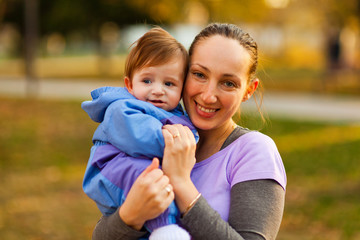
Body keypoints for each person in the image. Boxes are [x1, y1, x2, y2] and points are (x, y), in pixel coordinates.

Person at [91, 23, 287, 240]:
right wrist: (131, 215)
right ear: (183, 74)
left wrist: (181, 183)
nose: (208, 96)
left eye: (228, 83)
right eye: (199, 75)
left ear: (248, 90)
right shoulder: (151, 135)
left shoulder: (253, 151)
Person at [82, 27, 198, 240]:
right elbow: (139, 136)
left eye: (169, 83)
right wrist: (176, 142)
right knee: (149, 176)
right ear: (129, 84)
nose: (158, 90)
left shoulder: (174, 113)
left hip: (129, 176)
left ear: (181, 90)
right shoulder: (121, 108)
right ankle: (165, 227)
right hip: (112, 169)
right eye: (147, 80)